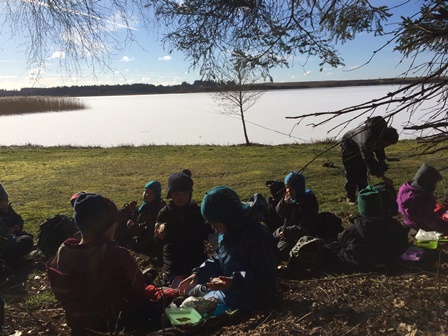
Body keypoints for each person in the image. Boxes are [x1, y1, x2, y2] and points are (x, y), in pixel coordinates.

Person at [46, 193, 158, 334]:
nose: (116, 225)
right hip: (113, 323)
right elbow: (137, 291)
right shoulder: (116, 255)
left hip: (78, 324)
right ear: (103, 226)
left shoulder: (63, 252)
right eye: (113, 222)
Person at [177, 186, 277, 313]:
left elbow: (265, 276)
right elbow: (220, 258)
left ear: (229, 218)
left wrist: (233, 281)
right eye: (211, 224)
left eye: (217, 224)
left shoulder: (257, 237)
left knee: (196, 314)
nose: (213, 228)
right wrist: (198, 274)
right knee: (186, 304)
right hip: (230, 293)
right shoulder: (229, 233)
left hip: (251, 300)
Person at [326, 185, 408, 273]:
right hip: (388, 261)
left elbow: (341, 240)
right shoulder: (395, 225)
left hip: (360, 264)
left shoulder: (353, 230)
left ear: (362, 209)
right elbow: (403, 244)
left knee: (333, 247)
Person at [154, 169, 213, 284]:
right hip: (173, 258)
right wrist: (160, 237)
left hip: (196, 255)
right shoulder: (165, 213)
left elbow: (206, 231)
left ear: (190, 193)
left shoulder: (196, 211)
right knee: (173, 285)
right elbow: (156, 240)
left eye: (184, 193)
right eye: (176, 194)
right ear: (170, 195)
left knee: (198, 284)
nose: (181, 198)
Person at [340, 116, 399, 205]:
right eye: (388, 143)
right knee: (352, 171)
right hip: (349, 146)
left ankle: (362, 194)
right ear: (383, 138)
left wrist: (381, 162)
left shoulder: (380, 133)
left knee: (363, 171)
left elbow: (380, 149)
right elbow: (369, 160)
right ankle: (350, 196)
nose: (387, 146)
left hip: (361, 145)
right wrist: (383, 177)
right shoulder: (367, 139)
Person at [273, 171, 319, 261]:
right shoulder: (291, 199)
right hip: (287, 228)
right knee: (269, 239)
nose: (288, 191)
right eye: (287, 188)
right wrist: (284, 203)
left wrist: (287, 232)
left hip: (297, 235)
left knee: (280, 251)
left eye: (291, 188)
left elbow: (305, 227)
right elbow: (280, 213)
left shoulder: (308, 202)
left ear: (298, 188)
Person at [115, 181, 166, 258]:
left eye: (151, 193)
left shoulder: (157, 209)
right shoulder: (146, 206)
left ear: (156, 194)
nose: (147, 195)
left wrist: (132, 226)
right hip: (140, 236)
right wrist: (133, 211)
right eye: (146, 191)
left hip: (148, 243)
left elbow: (148, 229)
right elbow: (140, 218)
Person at [397, 163, 447, 234]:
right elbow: (431, 222)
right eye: (434, 183)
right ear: (427, 183)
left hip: (409, 221)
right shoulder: (421, 198)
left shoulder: (406, 189)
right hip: (420, 227)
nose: (435, 186)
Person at [0, 183, 34, 267]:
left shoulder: (8, 210)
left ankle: (17, 258)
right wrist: (9, 232)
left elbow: (18, 219)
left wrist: (18, 226)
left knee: (28, 237)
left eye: (5, 200)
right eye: (2, 201)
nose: (4, 203)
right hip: (5, 243)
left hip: (14, 235)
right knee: (26, 240)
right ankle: (14, 262)